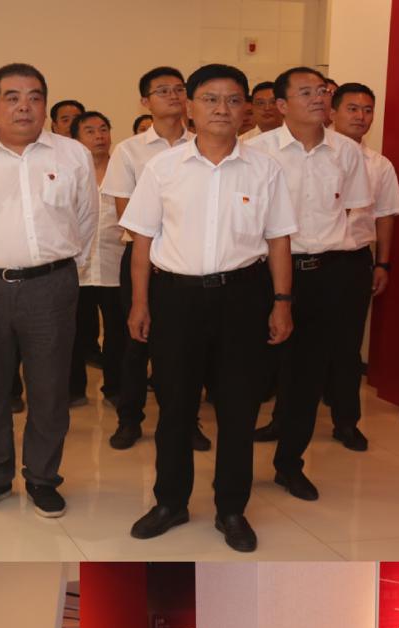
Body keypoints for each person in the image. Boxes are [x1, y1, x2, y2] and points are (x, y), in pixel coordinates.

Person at [122, 63, 296, 553]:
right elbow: (142, 242)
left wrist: (282, 303)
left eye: (233, 100)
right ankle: (170, 502)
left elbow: (279, 241)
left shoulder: (265, 169)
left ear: (246, 110)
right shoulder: (163, 168)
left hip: (243, 296)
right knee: (175, 406)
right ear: (190, 106)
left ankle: (231, 509)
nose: (223, 108)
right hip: (175, 298)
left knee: (238, 408)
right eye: (211, 99)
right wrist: (140, 303)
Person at [0, 62, 98, 519]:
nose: (24, 106)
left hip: (50, 288)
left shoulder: (72, 155)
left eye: (34, 97)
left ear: (45, 105)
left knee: (49, 389)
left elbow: (86, 219)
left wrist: (60, 270)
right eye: (12, 97)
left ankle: (43, 478)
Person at [246, 68, 371, 501]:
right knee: (250, 375)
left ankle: (289, 465)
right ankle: (235, 469)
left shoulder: (346, 151)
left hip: (326, 274)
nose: (319, 98)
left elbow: (352, 211)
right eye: (306, 92)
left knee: (307, 377)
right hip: (265, 274)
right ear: (281, 105)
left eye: (322, 91)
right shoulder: (255, 152)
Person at [101, 67, 195, 453]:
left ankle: (187, 422)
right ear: (145, 102)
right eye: (162, 90)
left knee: (186, 347)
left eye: (179, 89)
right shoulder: (129, 150)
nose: (173, 96)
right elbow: (126, 213)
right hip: (143, 258)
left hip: (189, 263)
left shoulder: (203, 144)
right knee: (135, 342)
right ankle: (130, 419)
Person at [327, 82, 399, 451]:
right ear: (332, 112)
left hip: (354, 260)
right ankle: (284, 420)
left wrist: (382, 263)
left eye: (368, 110)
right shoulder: (313, 156)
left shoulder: (379, 165)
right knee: (297, 345)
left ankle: (346, 422)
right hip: (307, 260)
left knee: (347, 345)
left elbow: (386, 216)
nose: (361, 116)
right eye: (353, 108)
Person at [72, 111, 126, 405]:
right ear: (76, 139)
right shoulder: (70, 173)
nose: (99, 136)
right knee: (75, 331)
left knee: (118, 331)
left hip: (114, 263)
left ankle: (115, 387)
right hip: (77, 266)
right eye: (90, 131)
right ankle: (74, 389)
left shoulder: (124, 169)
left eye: (103, 129)